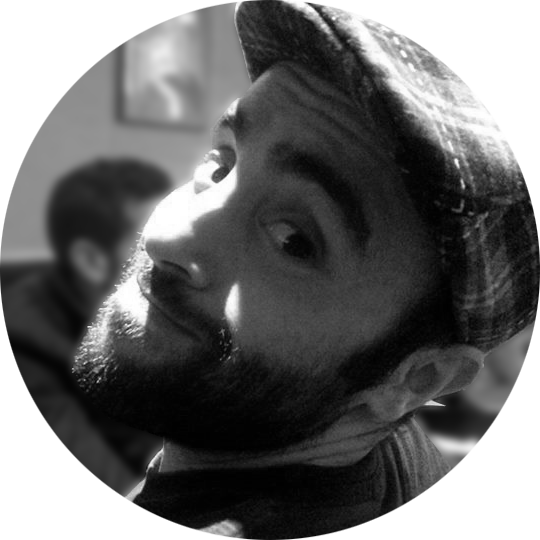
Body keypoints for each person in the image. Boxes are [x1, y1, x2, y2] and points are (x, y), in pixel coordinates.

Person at [72, 0, 539, 537]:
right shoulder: (378, 445)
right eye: (222, 163)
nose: (164, 237)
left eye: (294, 241)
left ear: (418, 379)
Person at [2, 158, 171, 495]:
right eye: (148, 244)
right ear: (90, 260)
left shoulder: (144, 303)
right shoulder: (22, 347)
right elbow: (113, 486)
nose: (176, 252)